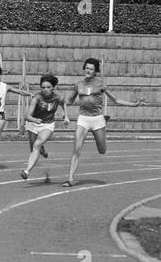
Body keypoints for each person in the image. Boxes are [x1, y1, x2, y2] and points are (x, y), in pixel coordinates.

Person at [62, 58, 147, 187]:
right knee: (77, 149)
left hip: (97, 119)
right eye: (87, 68)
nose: (88, 70)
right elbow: (68, 101)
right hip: (83, 119)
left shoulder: (100, 84)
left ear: (95, 71)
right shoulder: (78, 84)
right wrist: (61, 105)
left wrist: (134, 104)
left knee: (102, 150)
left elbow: (116, 99)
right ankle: (70, 178)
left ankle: (103, 125)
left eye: (91, 69)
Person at [20, 75, 70, 180]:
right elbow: (27, 116)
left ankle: (26, 171)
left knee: (37, 144)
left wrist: (66, 116)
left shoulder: (57, 96)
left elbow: (64, 102)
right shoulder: (37, 98)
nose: (45, 90)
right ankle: (42, 150)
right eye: (43, 87)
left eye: (48, 87)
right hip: (33, 124)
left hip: (47, 124)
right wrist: (35, 120)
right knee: (34, 148)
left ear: (53, 88)